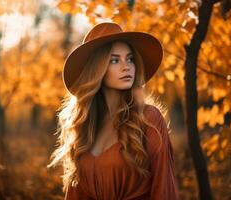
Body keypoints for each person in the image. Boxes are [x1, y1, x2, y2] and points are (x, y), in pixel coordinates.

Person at [48, 22, 179, 200]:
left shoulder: (148, 118)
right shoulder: (84, 127)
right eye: (115, 60)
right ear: (97, 70)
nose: (126, 66)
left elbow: (163, 189)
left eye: (130, 59)